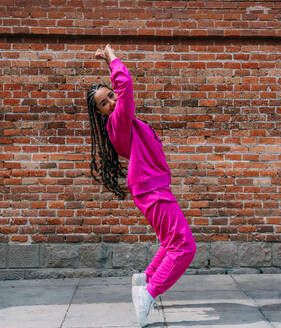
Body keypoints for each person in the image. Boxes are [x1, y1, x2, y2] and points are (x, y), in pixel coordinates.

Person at [87, 44, 196, 327]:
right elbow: (126, 84)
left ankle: (144, 279)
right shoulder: (118, 122)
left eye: (110, 96)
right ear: (100, 114)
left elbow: (122, 91)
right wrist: (112, 58)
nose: (110, 102)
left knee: (172, 241)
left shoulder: (126, 121)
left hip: (153, 187)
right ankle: (149, 293)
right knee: (184, 246)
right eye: (103, 103)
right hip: (151, 190)